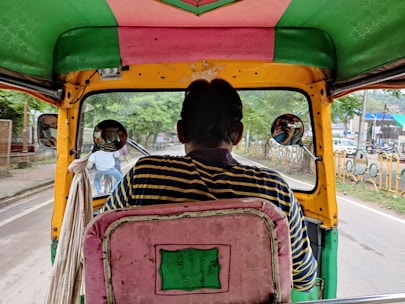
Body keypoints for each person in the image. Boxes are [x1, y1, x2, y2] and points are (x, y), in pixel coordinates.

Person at [102, 78, 317, 291]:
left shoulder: (143, 175)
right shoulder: (274, 189)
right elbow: (304, 279)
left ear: (180, 131)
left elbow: (98, 249)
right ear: (239, 134)